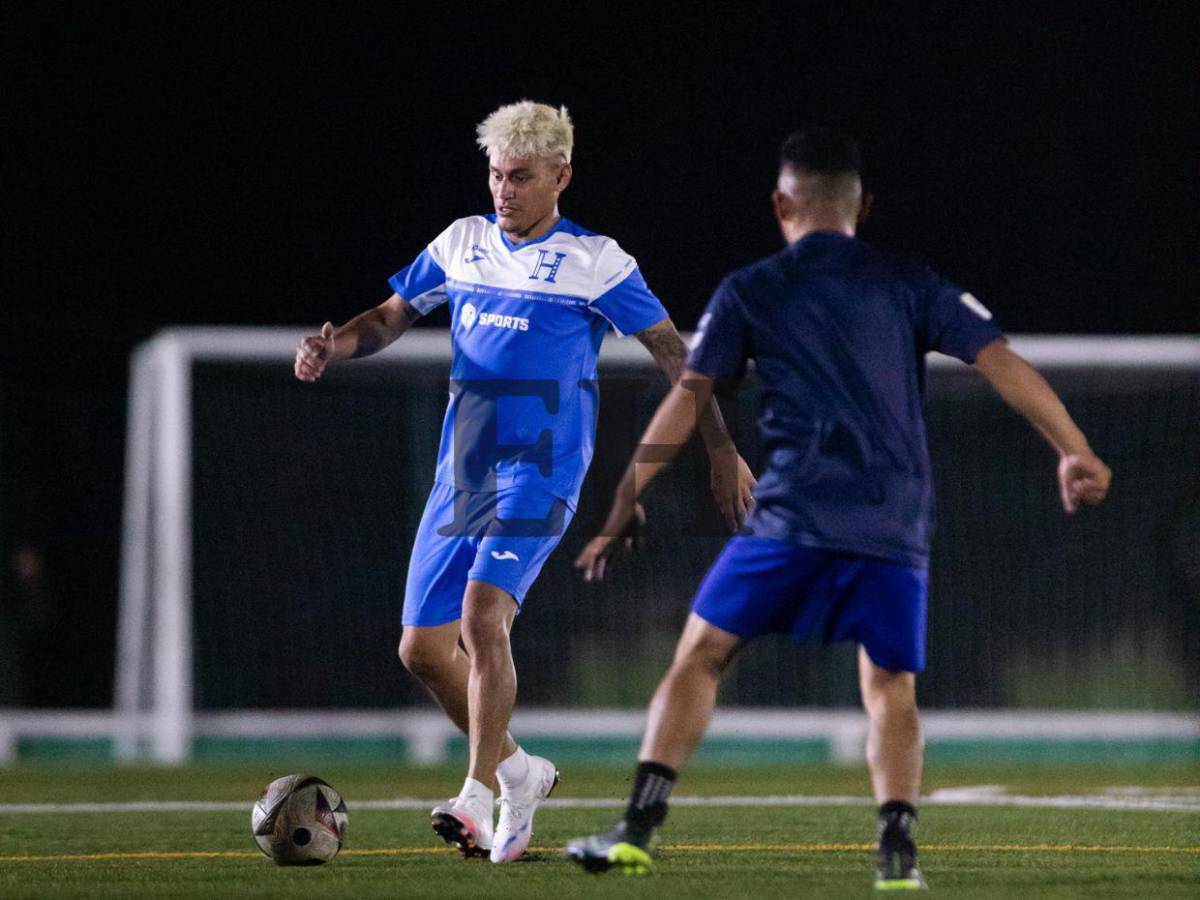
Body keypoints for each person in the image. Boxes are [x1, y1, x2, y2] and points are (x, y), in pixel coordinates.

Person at [565, 127, 1111, 889]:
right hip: (893, 518)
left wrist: (627, 499)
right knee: (890, 685)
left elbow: (688, 400)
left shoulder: (752, 287)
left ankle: (637, 828)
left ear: (780, 202)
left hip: (791, 518)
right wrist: (1074, 448)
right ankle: (897, 857)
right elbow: (1002, 361)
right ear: (864, 206)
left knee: (701, 655)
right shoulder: (910, 281)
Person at [293, 100, 754, 864]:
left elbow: (679, 357)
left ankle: (476, 796)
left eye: (520, 177)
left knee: (482, 615)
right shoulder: (462, 242)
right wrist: (333, 344)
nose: (503, 190)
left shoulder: (597, 260)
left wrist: (721, 450)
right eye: (495, 175)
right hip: (464, 469)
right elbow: (387, 317)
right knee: (420, 650)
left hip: (542, 470)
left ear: (560, 177)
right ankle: (519, 771)